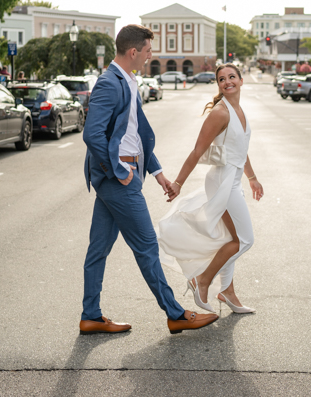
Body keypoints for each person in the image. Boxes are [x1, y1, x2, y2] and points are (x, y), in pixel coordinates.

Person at [80, 24, 219, 335]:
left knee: (98, 249)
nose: (150, 56)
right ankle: (176, 314)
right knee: (146, 247)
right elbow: (92, 134)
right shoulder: (109, 83)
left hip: (123, 176)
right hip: (119, 180)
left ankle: (90, 315)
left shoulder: (129, 80)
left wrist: (158, 174)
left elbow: (138, 134)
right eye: (148, 52)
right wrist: (117, 171)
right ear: (133, 52)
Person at [158, 63, 264, 314]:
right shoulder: (221, 113)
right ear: (218, 85)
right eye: (221, 79)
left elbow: (240, 149)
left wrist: (252, 178)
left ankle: (227, 292)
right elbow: (197, 151)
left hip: (233, 180)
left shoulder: (239, 110)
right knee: (245, 240)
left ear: (241, 80)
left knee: (231, 239)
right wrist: (179, 183)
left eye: (231, 77)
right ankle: (202, 280)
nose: (227, 82)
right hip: (222, 181)